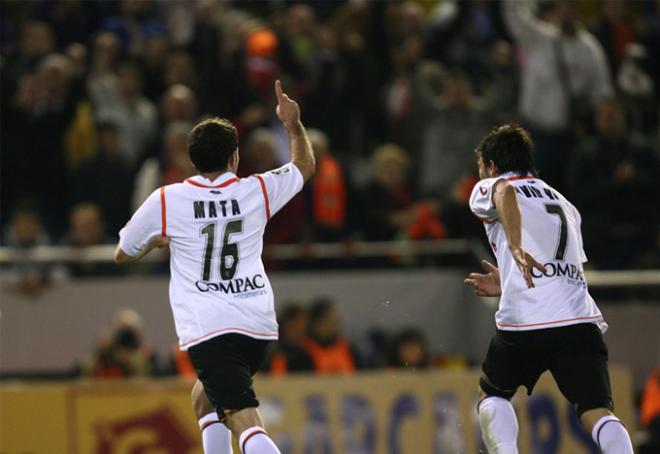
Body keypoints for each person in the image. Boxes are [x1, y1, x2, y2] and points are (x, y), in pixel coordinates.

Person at [114, 80, 315, 454]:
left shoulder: (169, 200)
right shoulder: (257, 189)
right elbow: (303, 166)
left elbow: (123, 252)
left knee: (246, 422)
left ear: (192, 159)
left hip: (212, 329)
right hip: (258, 327)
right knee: (203, 401)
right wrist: (292, 124)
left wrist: (158, 240)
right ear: (234, 157)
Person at [463, 124, 633, 454]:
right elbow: (559, 266)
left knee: (492, 395)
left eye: (482, 168)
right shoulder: (566, 204)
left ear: (492, 166)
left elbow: (503, 193)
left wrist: (513, 247)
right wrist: (508, 277)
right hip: (579, 321)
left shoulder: (494, 184)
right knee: (597, 412)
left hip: (527, 321)